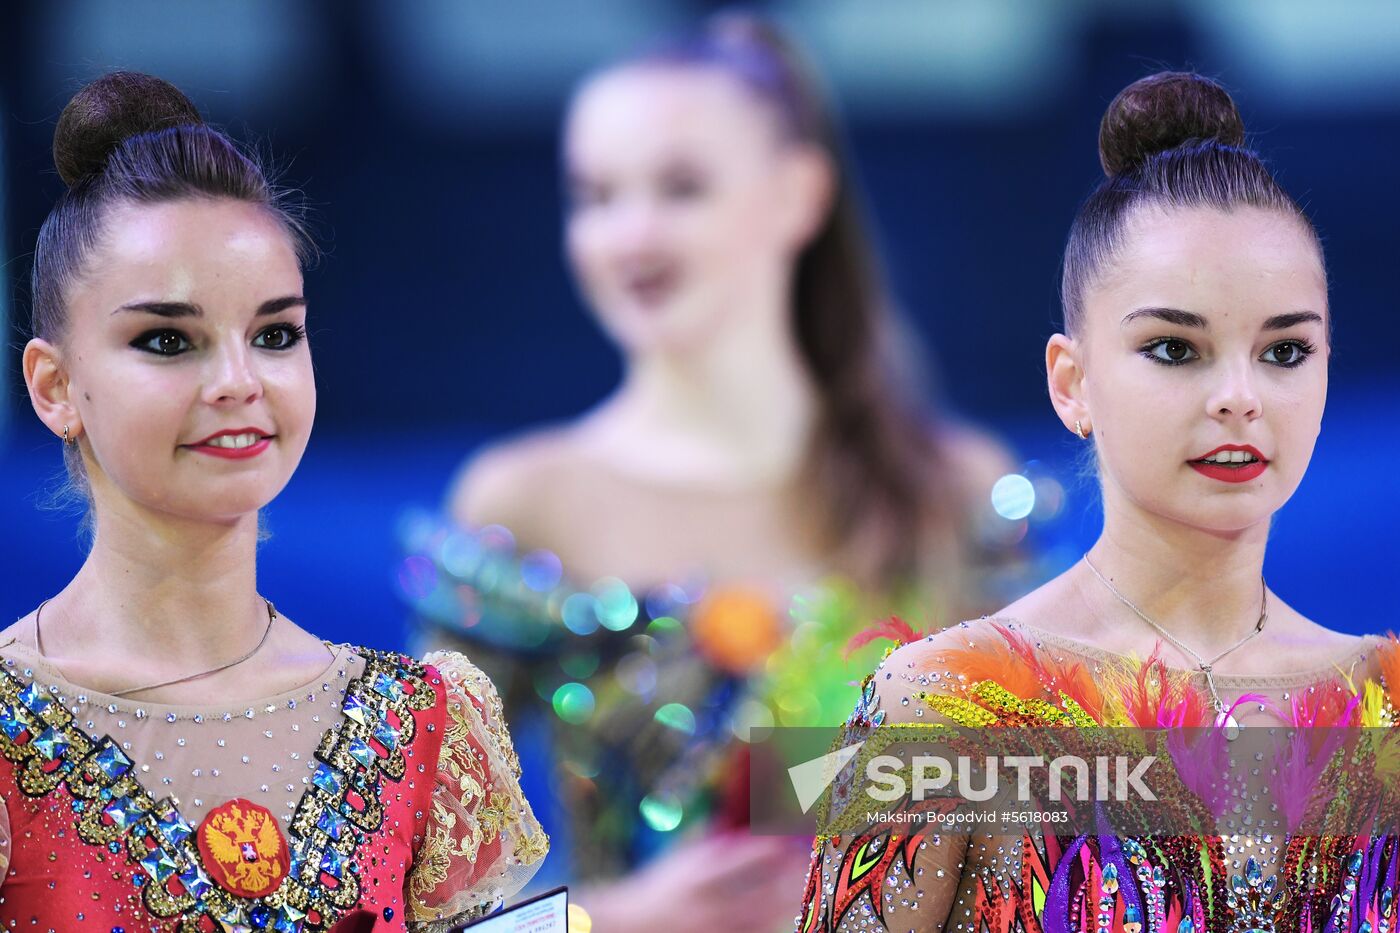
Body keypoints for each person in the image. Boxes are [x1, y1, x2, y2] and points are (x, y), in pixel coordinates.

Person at [414, 13, 1015, 933]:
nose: (631, 233)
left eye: (681, 187)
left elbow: (1068, 827)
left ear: (797, 196)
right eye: (595, 195)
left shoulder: (954, 491)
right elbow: (421, 911)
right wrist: (610, 921)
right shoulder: (524, 502)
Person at [798, 71, 1396, 932]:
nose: (1239, 396)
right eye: (1174, 348)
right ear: (1071, 383)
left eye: (1286, 352)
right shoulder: (948, 703)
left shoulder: (1386, 706)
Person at [6, 72, 547, 932]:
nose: (238, 382)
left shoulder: (420, 726)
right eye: (168, 340)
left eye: (274, 334)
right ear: (56, 384)